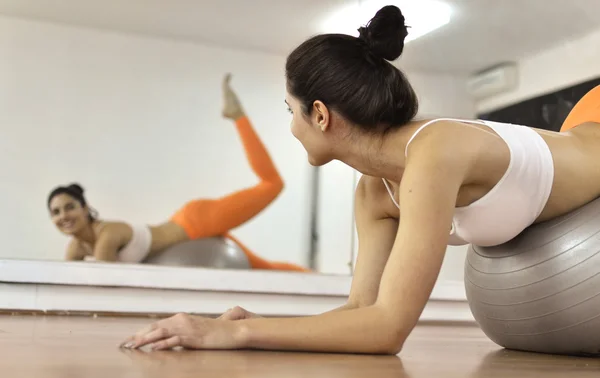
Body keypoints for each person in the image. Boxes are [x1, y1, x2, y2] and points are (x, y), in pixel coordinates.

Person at [120, 6, 600, 353]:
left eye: (292, 111)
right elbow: (363, 311)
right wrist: (260, 326)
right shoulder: (374, 192)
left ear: (322, 115)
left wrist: (233, 333)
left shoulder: (434, 154)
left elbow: (389, 330)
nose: (291, 126)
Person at [47, 74, 308, 273]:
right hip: (190, 238)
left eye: (69, 207)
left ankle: (238, 115)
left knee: (272, 184)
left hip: (196, 221)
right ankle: (317, 278)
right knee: (262, 268)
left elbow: (106, 283)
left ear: (85, 208)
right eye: (56, 212)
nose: (63, 216)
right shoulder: (76, 247)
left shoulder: (107, 235)